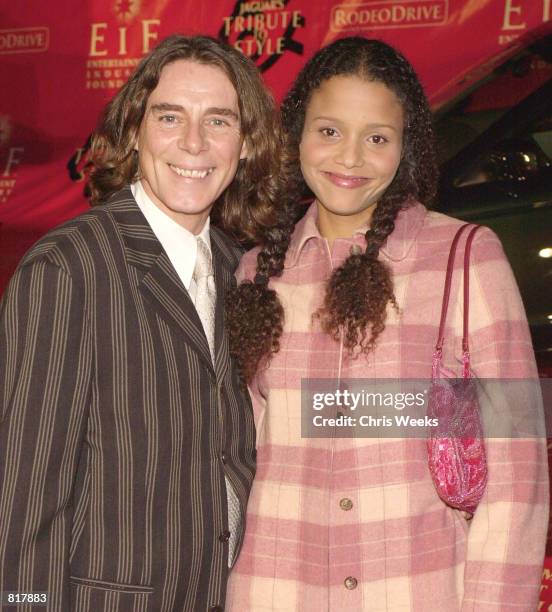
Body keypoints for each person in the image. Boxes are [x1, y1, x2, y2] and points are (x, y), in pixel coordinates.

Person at [225, 37, 548, 610]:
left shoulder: (465, 255)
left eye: (377, 138)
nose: (350, 158)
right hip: (274, 590)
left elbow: (518, 472)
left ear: (407, 150)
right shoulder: (256, 272)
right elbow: (245, 456)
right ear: (296, 133)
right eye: (329, 131)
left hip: (416, 590)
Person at [0, 34, 279, 611]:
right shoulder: (70, 267)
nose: (194, 143)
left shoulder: (241, 269)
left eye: (219, 122)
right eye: (170, 116)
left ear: (246, 143)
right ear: (134, 130)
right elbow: (24, 492)